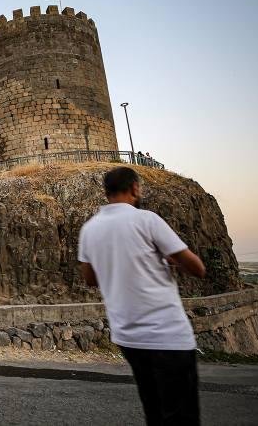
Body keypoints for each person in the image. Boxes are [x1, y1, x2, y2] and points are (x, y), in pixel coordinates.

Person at [78, 167, 206, 426]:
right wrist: (169, 260)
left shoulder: (89, 229)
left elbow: (90, 279)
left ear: (106, 193)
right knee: (181, 417)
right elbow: (197, 269)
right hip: (167, 335)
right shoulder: (147, 220)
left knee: (154, 413)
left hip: (128, 337)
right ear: (135, 188)